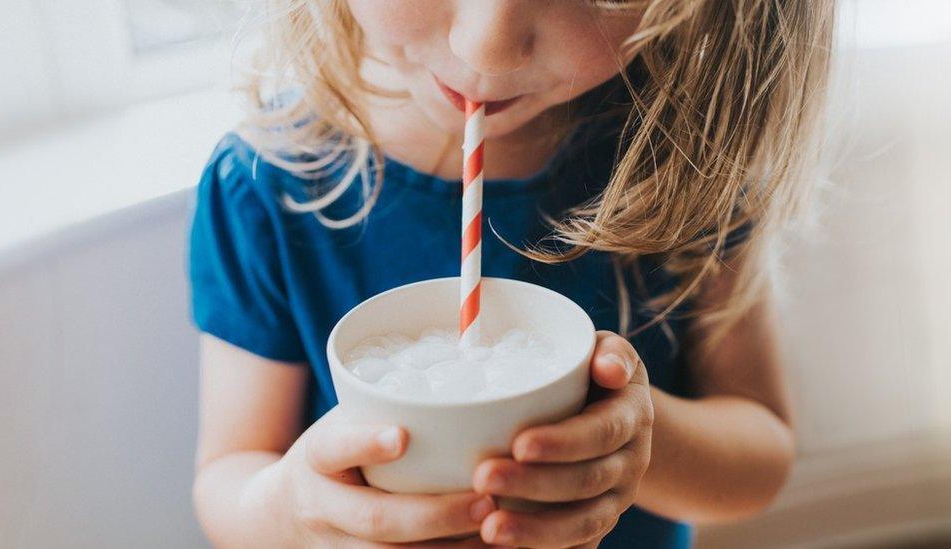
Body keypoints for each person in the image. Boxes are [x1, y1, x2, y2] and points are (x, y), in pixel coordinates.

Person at [188, 1, 833, 547]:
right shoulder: (264, 185)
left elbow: (762, 456)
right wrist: (289, 509)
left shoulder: (687, 163)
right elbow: (228, 473)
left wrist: (627, 438)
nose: (488, 47)